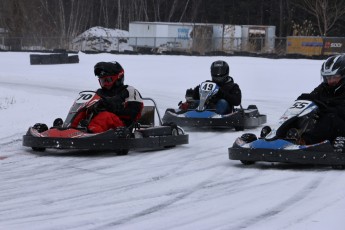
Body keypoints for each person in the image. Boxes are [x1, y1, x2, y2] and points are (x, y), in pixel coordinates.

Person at [71, 61, 143, 133]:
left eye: (108, 80)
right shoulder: (98, 93)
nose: (105, 84)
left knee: (105, 116)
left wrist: (108, 106)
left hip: (122, 127)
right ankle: (70, 128)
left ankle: (91, 135)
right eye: (102, 81)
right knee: (82, 111)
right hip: (100, 126)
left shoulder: (129, 91)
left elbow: (133, 113)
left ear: (119, 78)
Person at [297, 54, 345, 145]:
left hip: (340, 127)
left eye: (334, 77)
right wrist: (304, 99)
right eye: (328, 78)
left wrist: (326, 107)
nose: (330, 81)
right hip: (326, 128)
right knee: (306, 112)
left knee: (330, 118)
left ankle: (306, 141)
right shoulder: (324, 87)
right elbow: (313, 97)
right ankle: (282, 135)